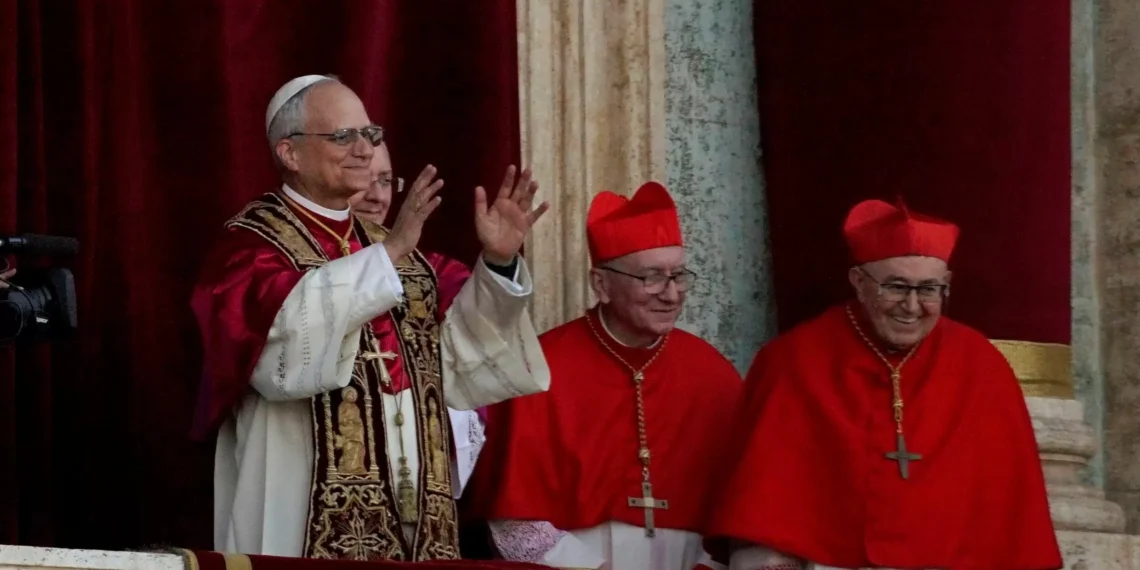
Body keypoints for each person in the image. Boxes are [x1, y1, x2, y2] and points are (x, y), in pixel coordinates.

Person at [190, 74, 551, 562]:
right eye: (342, 136)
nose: (363, 149)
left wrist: (499, 263)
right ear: (289, 153)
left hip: (414, 501)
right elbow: (280, 349)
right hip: (299, 494)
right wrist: (391, 252)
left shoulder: (400, 251)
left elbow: (461, 360)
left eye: (370, 134)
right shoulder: (252, 242)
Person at [704, 199, 1063, 570]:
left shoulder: (983, 366)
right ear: (858, 282)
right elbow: (762, 509)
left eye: (928, 290)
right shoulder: (792, 362)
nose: (911, 306)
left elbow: (1012, 521)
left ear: (947, 285)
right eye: (896, 287)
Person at [462, 182, 742, 569]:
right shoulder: (540, 368)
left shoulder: (714, 374)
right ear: (601, 284)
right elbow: (515, 522)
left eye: (679, 276)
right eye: (652, 278)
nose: (672, 294)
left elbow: (747, 512)